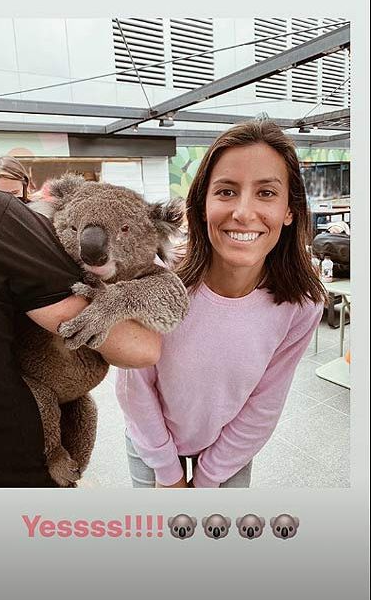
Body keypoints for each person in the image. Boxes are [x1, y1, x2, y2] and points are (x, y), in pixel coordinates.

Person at [115, 120, 326, 488]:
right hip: (150, 441)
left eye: (266, 193)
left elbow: (265, 403)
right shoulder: (159, 278)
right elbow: (135, 386)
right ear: (202, 204)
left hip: (229, 451)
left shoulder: (302, 305)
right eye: (226, 191)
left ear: (289, 210)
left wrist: (208, 478)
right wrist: (168, 474)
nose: (244, 212)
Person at [0, 182, 161, 487]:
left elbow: (153, 333)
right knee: (46, 401)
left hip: (1, 448)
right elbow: (142, 349)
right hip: (11, 444)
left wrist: (116, 299)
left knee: (84, 412)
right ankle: (55, 456)